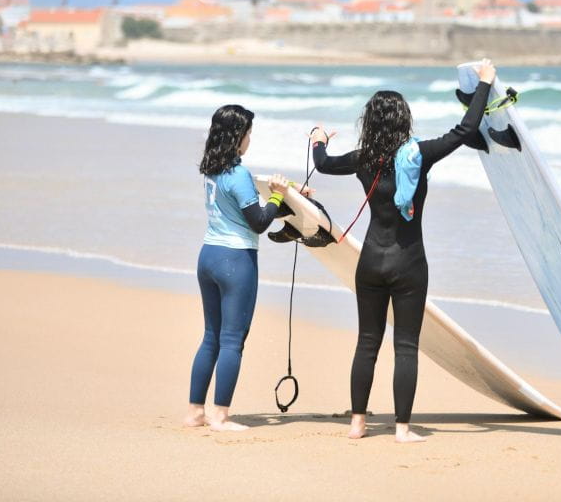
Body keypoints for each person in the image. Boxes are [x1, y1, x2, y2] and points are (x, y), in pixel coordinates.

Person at [310, 59, 496, 443]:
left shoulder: (362, 159)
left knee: (367, 342)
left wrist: (318, 140)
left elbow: (325, 165)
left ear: (370, 122)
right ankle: (403, 429)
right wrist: (484, 85)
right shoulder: (420, 154)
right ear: (404, 120)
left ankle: (358, 424)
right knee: (406, 346)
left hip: (371, 262)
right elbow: (464, 130)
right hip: (410, 262)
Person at [184, 104, 305, 431]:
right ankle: (220, 416)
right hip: (235, 263)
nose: (250, 138)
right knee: (233, 340)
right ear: (239, 136)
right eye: (249, 133)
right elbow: (259, 221)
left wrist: (289, 195)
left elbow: (248, 208)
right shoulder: (238, 174)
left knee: (211, 336)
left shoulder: (212, 168)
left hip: (208, 256)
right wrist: (279, 198)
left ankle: (196, 412)